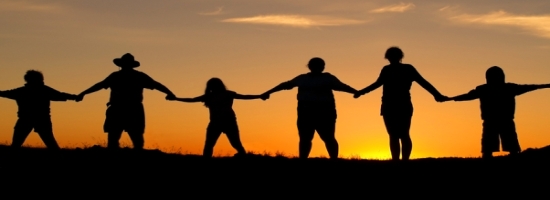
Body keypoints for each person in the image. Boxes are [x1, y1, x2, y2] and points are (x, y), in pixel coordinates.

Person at [354, 47, 448, 161]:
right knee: (400, 134)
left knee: (399, 135)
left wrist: (437, 95)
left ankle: (400, 161)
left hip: (396, 105)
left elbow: (423, 82)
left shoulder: (400, 69)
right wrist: (437, 95)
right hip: (395, 105)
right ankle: (399, 161)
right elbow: (424, 83)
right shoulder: (398, 69)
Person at [261, 57, 357, 159]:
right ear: (310, 66)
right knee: (305, 138)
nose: (319, 67)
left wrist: (355, 92)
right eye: (316, 65)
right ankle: (303, 159)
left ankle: (334, 160)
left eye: (321, 65)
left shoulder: (328, 78)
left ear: (323, 67)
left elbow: (342, 86)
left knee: (328, 137)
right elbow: (285, 85)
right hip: (306, 112)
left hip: (325, 112)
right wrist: (268, 92)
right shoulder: (303, 78)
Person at [76, 53, 176, 150]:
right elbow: (156, 85)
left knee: (126, 138)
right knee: (126, 138)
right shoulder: (134, 76)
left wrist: (83, 93)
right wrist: (170, 93)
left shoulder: (121, 76)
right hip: (126, 109)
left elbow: (100, 85)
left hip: (125, 109)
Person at [447, 66, 550, 159]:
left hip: (501, 121)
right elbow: (467, 96)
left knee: (505, 147)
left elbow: (530, 87)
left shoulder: (488, 89)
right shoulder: (506, 88)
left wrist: (449, 99)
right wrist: (450, 99)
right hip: (497, 121)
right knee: (491, 147)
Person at [167, 78, 263, 158]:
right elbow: (192, 99)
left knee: (235, 143)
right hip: (216, 122)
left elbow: (244, 97)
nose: (214, 87)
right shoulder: (209, 96)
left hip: (228, 122)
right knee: (210, 144)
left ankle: (243, 157)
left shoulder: (228, 94)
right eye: (212, 85)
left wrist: (259, 96)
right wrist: (176, 99)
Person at [0, 70, 77, 149]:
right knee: (51, 144)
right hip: (39, 119)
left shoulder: (23, 91)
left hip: (28, 119)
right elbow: (60, 95)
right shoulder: (43, 90)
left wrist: (74, 97)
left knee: (16, 144)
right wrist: (75, 97)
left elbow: (5, 93)